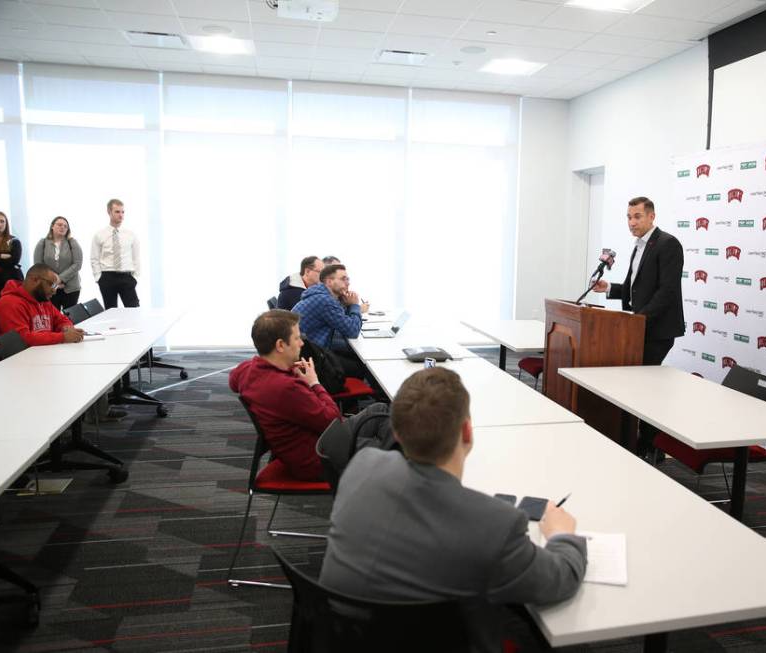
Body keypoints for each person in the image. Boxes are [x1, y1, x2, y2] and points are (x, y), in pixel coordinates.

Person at [320, 367, 586, 648]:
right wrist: (560, 535)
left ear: (396, 433)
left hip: (345, 640)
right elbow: (560, 579)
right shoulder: (496, 526)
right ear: (467, 431)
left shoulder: (363, 464)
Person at [593, 196, 684, 458]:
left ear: (652, 216)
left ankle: (649, 445)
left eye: (637, 217)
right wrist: (609, 287)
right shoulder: (638, 246)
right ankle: (641, 443)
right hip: (638, 328)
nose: (632, 222)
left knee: (646, 390)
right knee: (638, 387)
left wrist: (639, 319)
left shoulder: (668, 244)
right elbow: (636, 291)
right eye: (629, 217)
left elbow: (666, 291)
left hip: (657, 331)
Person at [228, 309, 339, 481]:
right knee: (382, 428)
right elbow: (334, 422)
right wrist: (314, 382)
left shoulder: (247, 369)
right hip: (320, 460)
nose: (302, 343)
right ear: (280, 345)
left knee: (377, 416)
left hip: (300, 451)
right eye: (296, 338)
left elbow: (233, 381)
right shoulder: (288, 388)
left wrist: (285, 368)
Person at [292, 263, 370, 379]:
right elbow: (352, 331)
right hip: (312, 358)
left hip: (311, 350)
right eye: (343, 279)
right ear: (329, 282)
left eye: (348, 279)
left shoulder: (322, 296)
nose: (348, 283)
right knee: (362, 367)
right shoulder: (325, 301)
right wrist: (354, 306)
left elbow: (342, 321)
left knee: (355, 356)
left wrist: (346, 305)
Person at [0, 264, 85, 346]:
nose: (54, 291)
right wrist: (62, 337)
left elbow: (62, 320)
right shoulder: (8, 303)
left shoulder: (43, 300)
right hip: (15, 362)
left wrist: (66, 328)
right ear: (35, 280)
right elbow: (21, 339)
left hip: (41, 355)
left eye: (56, 286)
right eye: (52, 285)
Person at [89, 198, 140, 309]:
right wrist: (99, 278)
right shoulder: (99, 235)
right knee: (110, 312)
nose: (121, 215)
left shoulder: (130, 235)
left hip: (127, 277)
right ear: (109, 212)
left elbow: (136, 258)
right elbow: (94, 258)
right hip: (107, 277)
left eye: (123, 212)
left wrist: (135, 277)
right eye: (117, 212)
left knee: (134, 310)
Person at [33, 216, 83, 310]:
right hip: (49, 287)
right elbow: (38, 266)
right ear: (52, 226)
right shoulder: (42, 242)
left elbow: (77, 264)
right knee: (51, 319)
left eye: (65, 226)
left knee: (69, 319)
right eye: (59, 225)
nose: (63, 227)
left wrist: (59, 279)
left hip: (71, 288)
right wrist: (53, 280)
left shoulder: (72, 242)